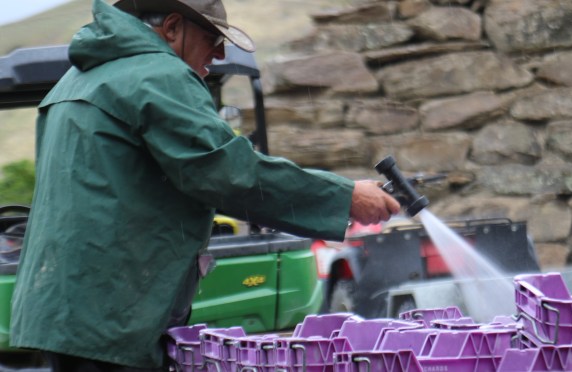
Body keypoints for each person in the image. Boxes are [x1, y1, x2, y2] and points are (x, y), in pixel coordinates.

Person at [9, 0, 400, 370]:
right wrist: (343, 196)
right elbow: (226, 171)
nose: (217, 55)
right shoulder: (158, 75)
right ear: (173, 27)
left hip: (70, 309)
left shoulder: (79, 79)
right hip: (115, 312)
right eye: (212, 40)